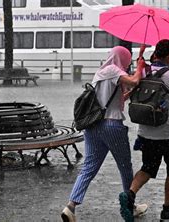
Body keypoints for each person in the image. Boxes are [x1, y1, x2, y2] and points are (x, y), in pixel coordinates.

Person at [61, 46, 147, 222]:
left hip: (93, 127)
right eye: (127, 59)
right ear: (122, 58)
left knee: (89, 167)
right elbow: (134, 80)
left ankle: (70, 207)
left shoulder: (101, 72)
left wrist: (130, 92)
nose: (127, 63)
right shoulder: (112, 70)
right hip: (111, 126)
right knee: (125, 167)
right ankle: (130, 205)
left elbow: (115, 99)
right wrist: (139, 67)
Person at [119, 39, 169, 222]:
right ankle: (167, 209)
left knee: (147, 168)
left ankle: (130, 194)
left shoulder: (144, 70)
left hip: (146, 133)